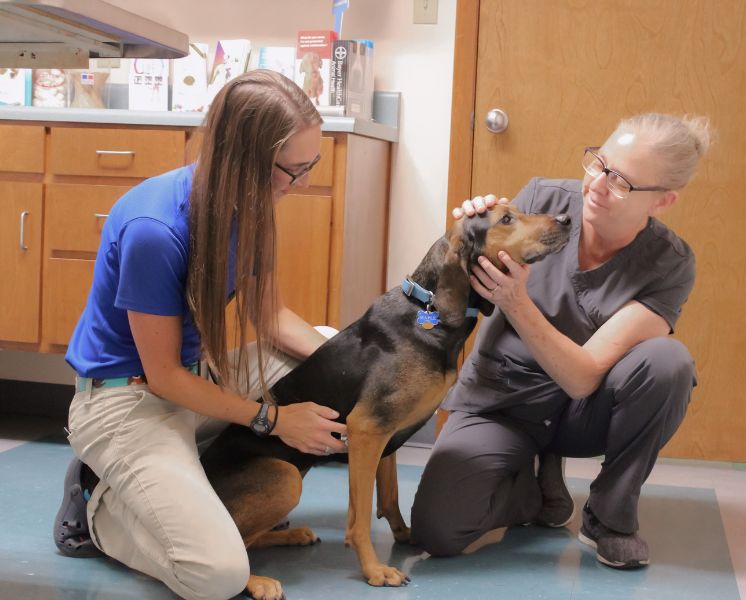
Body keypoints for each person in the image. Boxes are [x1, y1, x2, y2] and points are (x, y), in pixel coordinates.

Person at [53, 70, 348, 600]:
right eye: (293, 170)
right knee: (216, 575)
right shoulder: (156, 230)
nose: (301, 183)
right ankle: (100, 507)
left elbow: (270, 314)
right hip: (128, 401)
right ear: (245, 160)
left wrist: (353, 361)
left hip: (193, 383)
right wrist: (276, 420)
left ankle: (169, 490)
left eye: (312, 165)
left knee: (329, 348)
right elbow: (163, 377)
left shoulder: (251, 205)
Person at [411, 113, 712, 569]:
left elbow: (582, 377)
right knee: (438, 530)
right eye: (600, 164)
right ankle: (534, 488)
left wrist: (516, 302)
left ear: (664, 201)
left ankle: (608, 516)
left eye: (623, 182)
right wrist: (467, 230)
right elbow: (452, 287)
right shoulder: (541, 199)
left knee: (668, 363)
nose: (597, 185)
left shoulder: (669, 264)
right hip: (503, 400)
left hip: (582, 410)